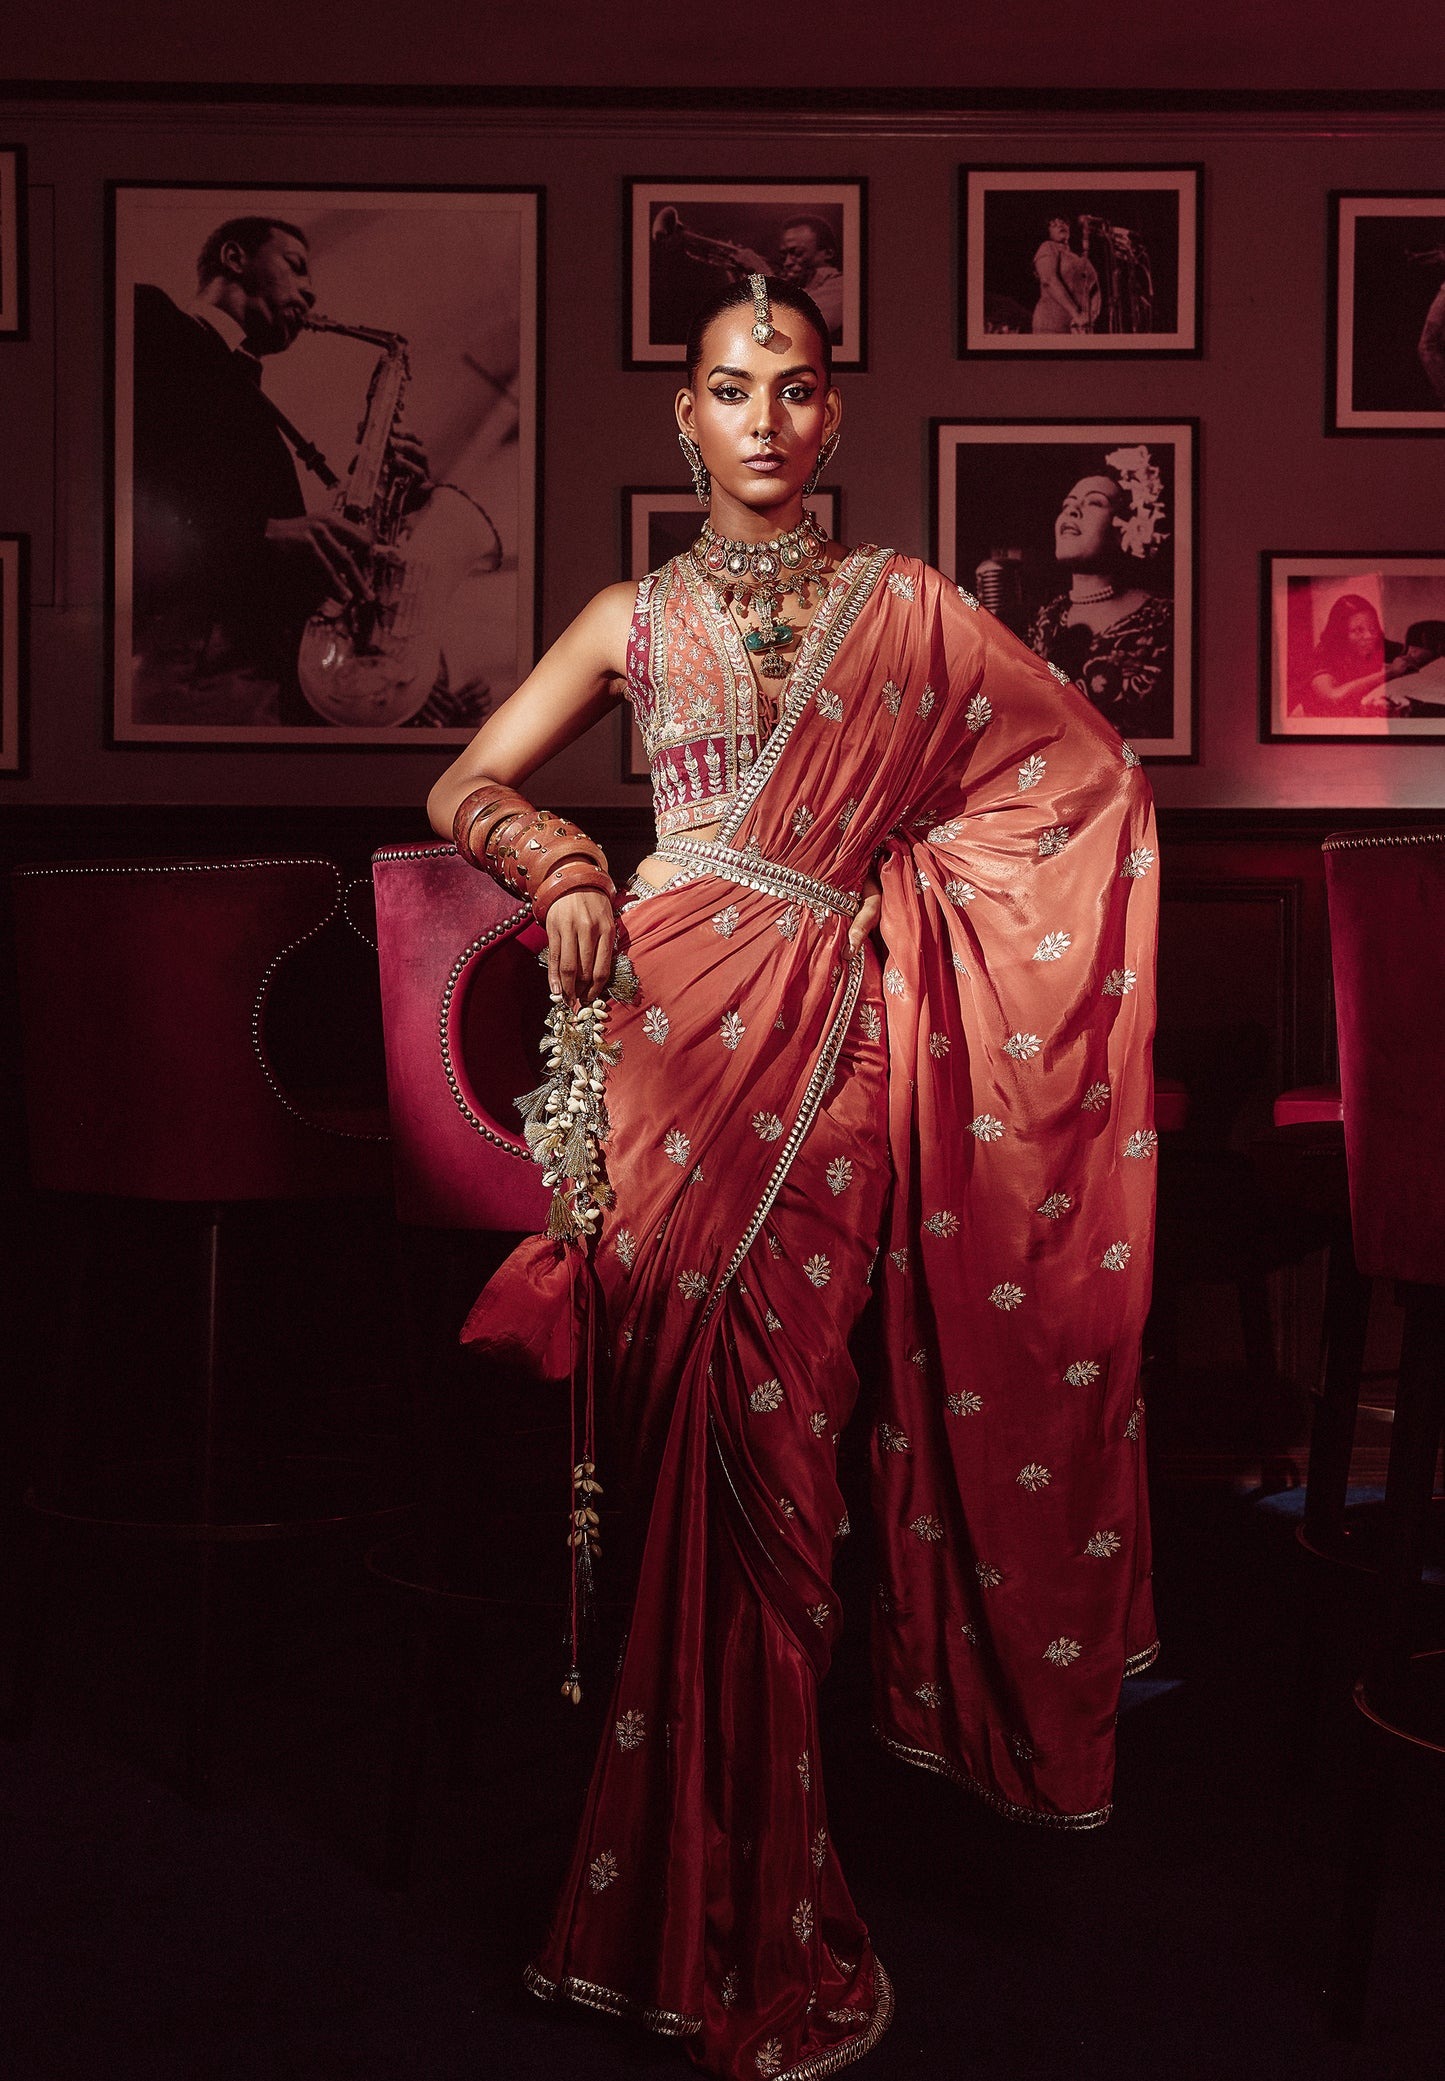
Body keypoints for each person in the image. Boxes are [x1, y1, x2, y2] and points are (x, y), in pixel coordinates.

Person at [427, 273, 1159, 2081]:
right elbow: (460, 780)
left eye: (800, 387)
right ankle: (673, 1894)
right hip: (663, 1047)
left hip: (823, 1057)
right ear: (682, 416)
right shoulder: (624, 614)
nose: (765, 416)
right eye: (730, 386)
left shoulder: (902, 611)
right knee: (675, 1436)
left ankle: (760, 1891)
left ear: (834, 420)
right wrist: (563, 860)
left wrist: (911, 932)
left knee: (780, 1455)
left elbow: (1081, 780)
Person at [130, 214, 431, 725]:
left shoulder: (239, 385)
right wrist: (262, 533)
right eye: (295, 267)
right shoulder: (149, 317)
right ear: (234, 258)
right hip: (199, 664)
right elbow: (122, 496)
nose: (310, 293)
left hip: (250, 669)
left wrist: (385, 497)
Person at [1027, 454, 1174, 741]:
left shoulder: (1163, 620)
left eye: (1094, 502)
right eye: (1067, 506)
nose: (1072, 512)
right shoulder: (1044, 619)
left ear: (1126, 527)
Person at [1293, 592, 1436, 717]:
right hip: (1313, 724)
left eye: (1373, 628)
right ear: (1341, 634)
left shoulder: (1375, 641)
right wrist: (1390, 672)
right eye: (1358, 630)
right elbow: (1333, 697)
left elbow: (1415, 654)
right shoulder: (1323, 654)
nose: (1369, 636)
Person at [777, 215, 845, 341]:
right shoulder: (800, 287)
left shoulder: (841, 285)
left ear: (828, 253)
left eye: (797, 253)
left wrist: (762, 272)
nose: (787, 263)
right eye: (783, 255)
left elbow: (801, 330)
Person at [1031, 213, 1099, 335]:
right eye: (1054, 225)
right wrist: (1076, 314)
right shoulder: (1048, 247)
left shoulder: (1082, 259)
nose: (1059, 225)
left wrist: (1090, 317)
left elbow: (1095, 289)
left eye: (1062, 222)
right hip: (1052, 323)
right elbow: (1048, 280)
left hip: (1081, 327)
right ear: (1048, 232)